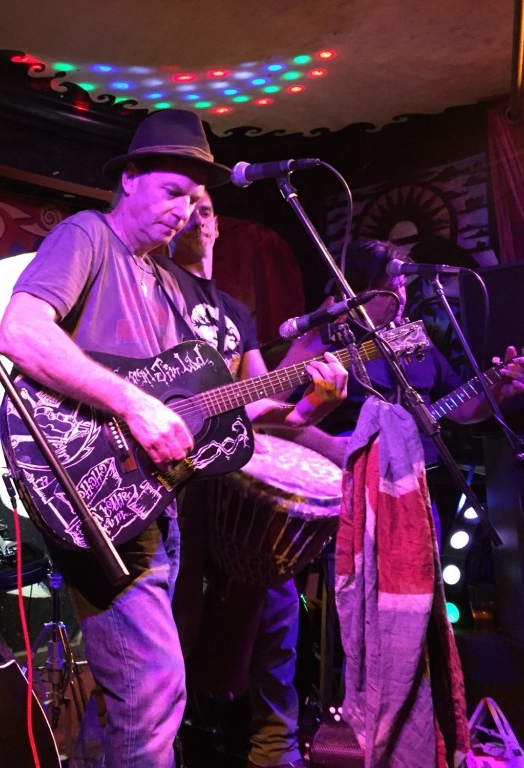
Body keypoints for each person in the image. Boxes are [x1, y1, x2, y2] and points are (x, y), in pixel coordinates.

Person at [0, 109, 348, 768]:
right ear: (128, 178)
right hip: (88, 482)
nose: (183, 211)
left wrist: (302, 413)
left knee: (132, 699)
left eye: (194, 199)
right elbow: (19, 332)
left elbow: (207, 407)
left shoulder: (170, 287)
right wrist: (131, 405)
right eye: (172, 192)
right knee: (155, 689)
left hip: (152, 500)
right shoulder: (87, 237)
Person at [160, 190, 323, 768]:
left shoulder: (236, 311)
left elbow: (264, 397)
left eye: (207, 208)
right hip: (176, 485)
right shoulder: (153, 292)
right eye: (186, 204)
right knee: (174, 630)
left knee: (275, 613)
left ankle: (273, 752)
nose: (198, 216)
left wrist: (308, 407)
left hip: (239, 483)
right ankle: (167, 749)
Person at [278, 239, 524, 469]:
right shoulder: (326, 341)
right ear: (353, 294)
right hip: (347, 480)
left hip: (417, 476)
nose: (399, 298)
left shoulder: (410, 338)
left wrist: (498, 390)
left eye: (401, 286)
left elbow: (462, 411)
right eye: (386, 291)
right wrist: (330, 446)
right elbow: (272, 414)